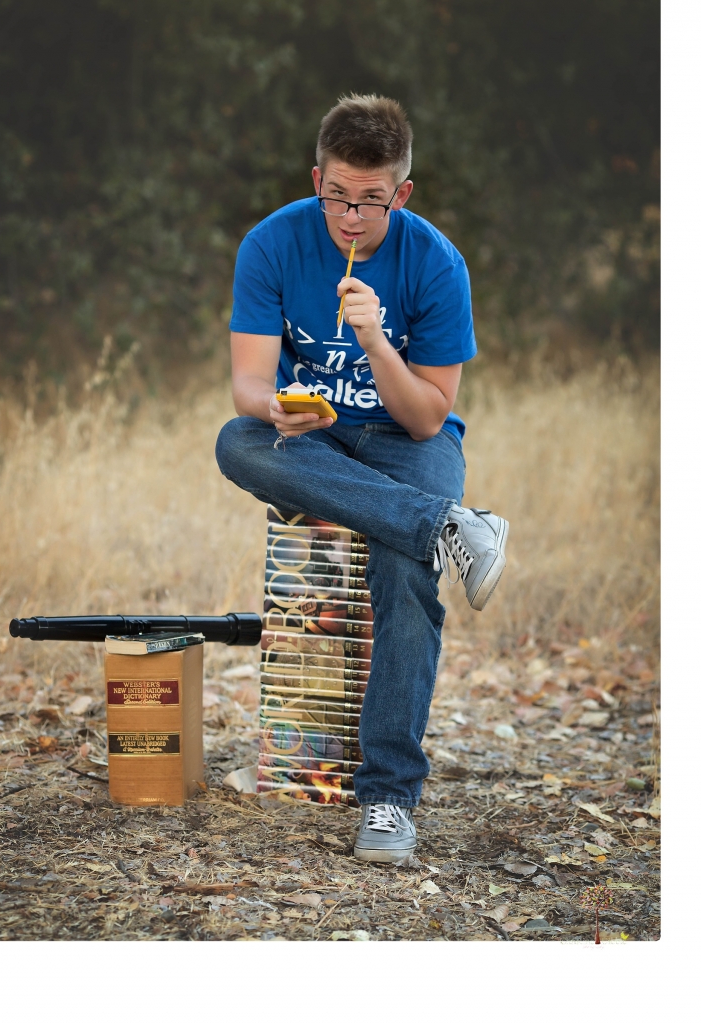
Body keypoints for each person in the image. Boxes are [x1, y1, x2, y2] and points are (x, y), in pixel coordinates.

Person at [215, 94, 509, 863]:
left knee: (404, 569)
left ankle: (388, 799)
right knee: (236, 442)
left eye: (370, 200)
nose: (350, 216)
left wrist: (377, 340)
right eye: (337, 195)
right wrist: (278, 408)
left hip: (406, 444)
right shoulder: (271, 244)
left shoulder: (436, 263)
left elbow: (428, 417)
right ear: (318, 179)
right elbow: (247, 385)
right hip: (312, 438)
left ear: (400, 193)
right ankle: (448, 525)